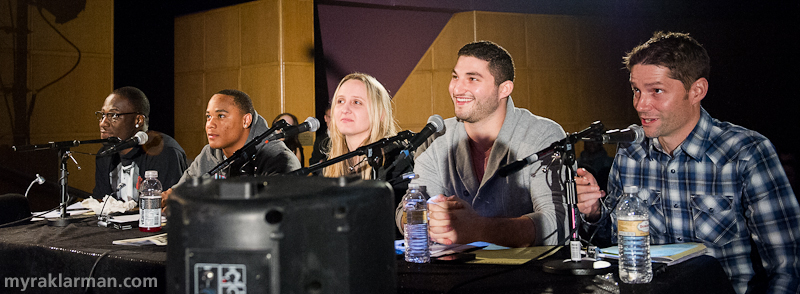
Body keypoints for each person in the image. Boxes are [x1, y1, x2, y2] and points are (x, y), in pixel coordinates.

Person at [575, 31, 800, 294]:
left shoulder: (746, 152)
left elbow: (788, 265)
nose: (641, 104)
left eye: (656, 91)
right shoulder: (629, 154)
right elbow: (613, 244)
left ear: (697, 91)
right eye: (636, 90)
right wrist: (593, 212)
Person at [403, 41, 568, 248]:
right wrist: (430, 217)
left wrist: (478, 229)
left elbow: (557, 224)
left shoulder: (543, 135)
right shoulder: (437, 137)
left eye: (472, 79)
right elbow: (408, 212)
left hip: (523, 277)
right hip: (450, 274)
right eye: (455, 77)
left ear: (504, 89)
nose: (457, 88)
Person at [161, 89, 301, 202]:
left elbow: (276, 207)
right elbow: (179, 193)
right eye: (208, 117)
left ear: (246, 120)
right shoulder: (209, 153)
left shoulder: (278, 157)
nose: (210, 124)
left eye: (221, 116)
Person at [322, 73, 412, 202]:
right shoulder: (332, 160)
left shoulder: (397, 157)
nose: (345, 109)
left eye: (356, 102)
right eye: (340, 101)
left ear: (380, 113)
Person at [94, 86, 187, 201]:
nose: (103, 123)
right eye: (102, 115)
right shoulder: (105, 154)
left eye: (114, 115)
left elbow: (168, 208)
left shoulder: (164, 152)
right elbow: (101, 202)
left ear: (138, 120)